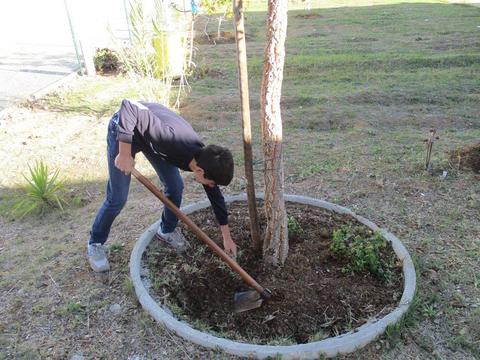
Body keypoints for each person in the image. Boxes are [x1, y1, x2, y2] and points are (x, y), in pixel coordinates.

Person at [87, 99, 237, 272]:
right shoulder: (170, 139)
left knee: (175, 187)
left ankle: (166, 229)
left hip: (151, 139)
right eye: (212, 182)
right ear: (200, 171)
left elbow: (215, 197)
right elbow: (129, 107)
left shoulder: (203, 158)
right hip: (124, 128)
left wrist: (227, 237)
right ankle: (95, 243)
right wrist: (124, 153)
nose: (212, 186)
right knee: (117, 197)